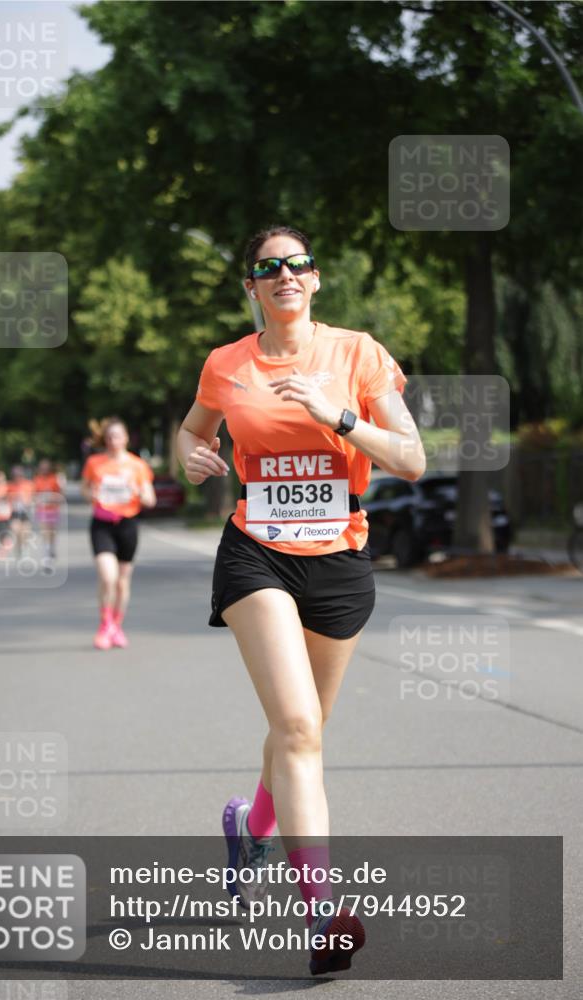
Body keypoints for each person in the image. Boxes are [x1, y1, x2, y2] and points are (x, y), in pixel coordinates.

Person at [177, 224, 426, 976]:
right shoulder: (227, 364)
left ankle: (249, 827)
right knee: (294, 726)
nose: (285, 274)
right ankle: (320, 910)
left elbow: (412, 459)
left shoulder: (357, 353)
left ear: (314, 279)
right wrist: (189, 457)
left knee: (305, 733)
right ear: (250, 287)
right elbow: (191, 434)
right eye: (267, 267)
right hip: (257, 551)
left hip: (341, 560)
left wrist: (338, 415)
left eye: (298, 264)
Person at [80, 417, 157, 650]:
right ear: (105, 439)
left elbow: (150, 500)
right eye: (110, 437)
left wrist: (137, 492)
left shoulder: (137, 466)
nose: (113, 441)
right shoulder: (95, 463)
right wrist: (91, 493)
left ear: (126, 438)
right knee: (107, 576)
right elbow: (85, 491)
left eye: (118, 436)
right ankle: (104, 625)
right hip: (102, 524)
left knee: (122, 582)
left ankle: (116, 625)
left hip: (127, 525)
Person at [33, 459, 65, 559]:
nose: (44, 470)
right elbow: (34, 494)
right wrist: (37, 499)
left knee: (52, 530)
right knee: (44, 530)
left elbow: (60, 493)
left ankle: (51, 547)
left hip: (53, 508)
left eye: (46, 468)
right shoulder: (37, 479)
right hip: (42, 509)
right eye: (42, 468)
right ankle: (46, 549)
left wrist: (54, 498)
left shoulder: (54, 478)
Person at [7, 466, 35, 557]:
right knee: (16, 531)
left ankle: (24, 546)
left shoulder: (28, 485)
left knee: (25, 532)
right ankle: (19, 548)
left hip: (25, 512)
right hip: (15, 512)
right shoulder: (10, 486)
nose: (17, 477)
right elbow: (5, 498)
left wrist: (28, 501)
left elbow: (34, 497)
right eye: (15, 476)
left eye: (19, 475)